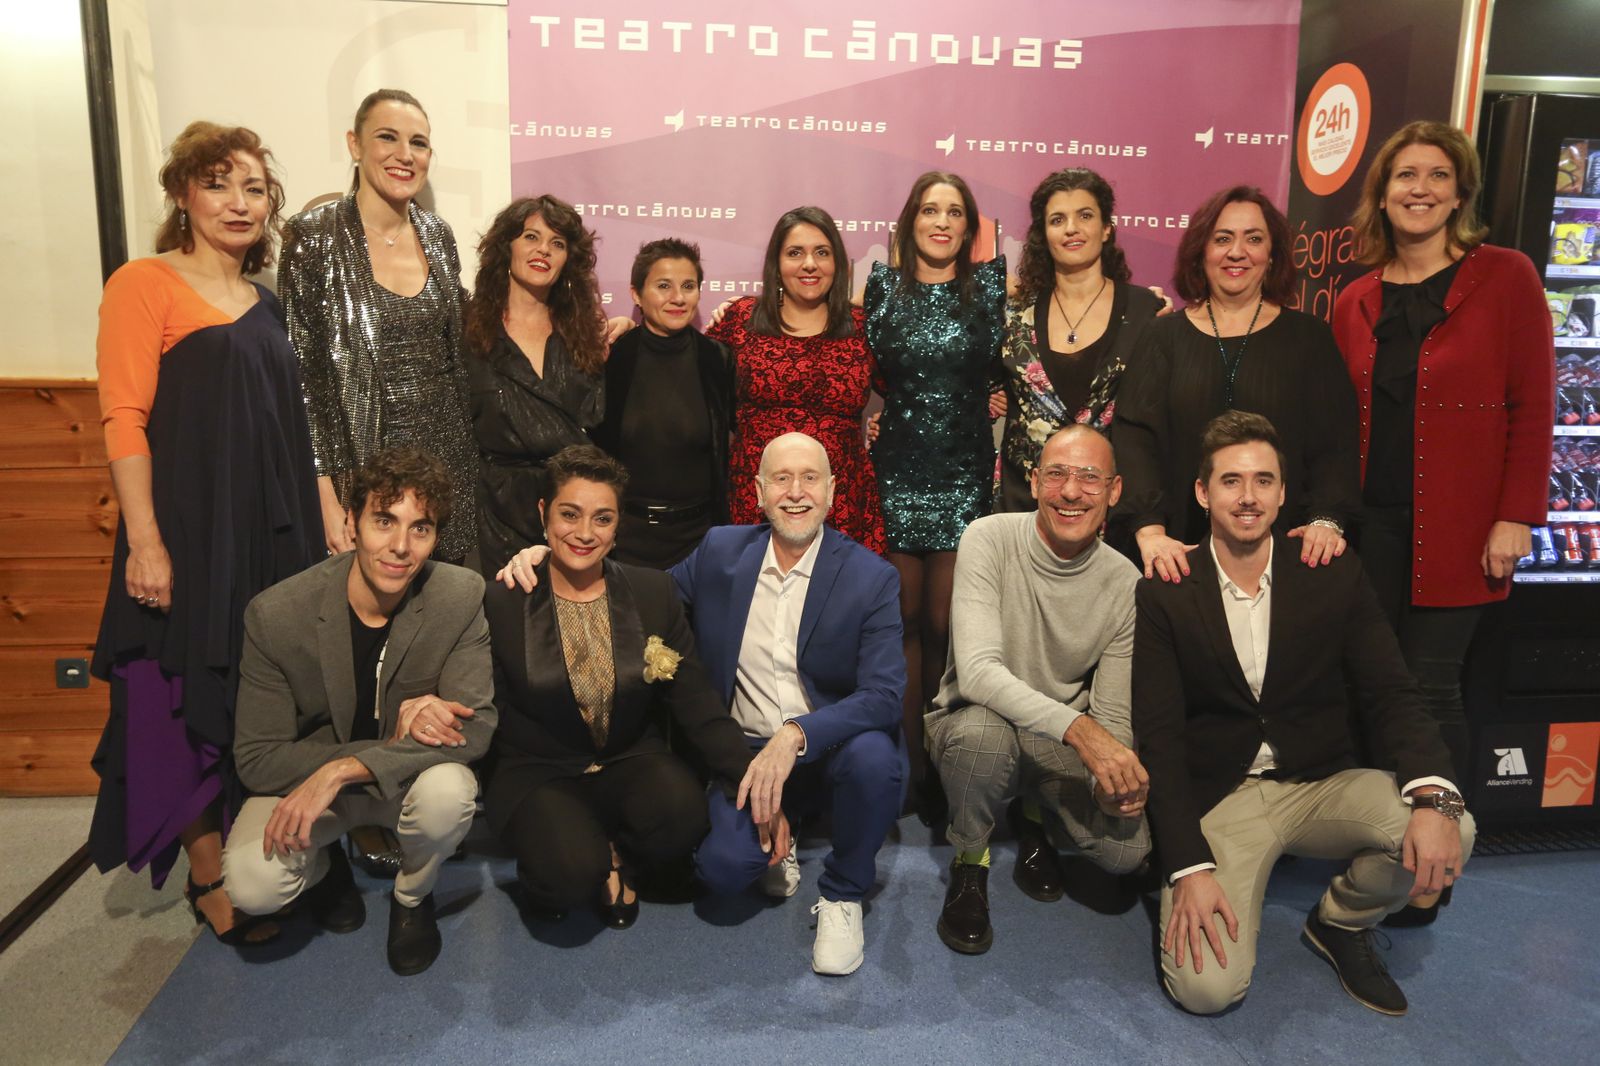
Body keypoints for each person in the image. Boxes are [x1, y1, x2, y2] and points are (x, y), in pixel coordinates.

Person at [497, 432, 904, 975]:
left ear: (833, 490)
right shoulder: (720, 552)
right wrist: (545, 554)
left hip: (824, 748)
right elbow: (634, 598)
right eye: (780, 479)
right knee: (721, 873)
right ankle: (780, 833)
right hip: (743, 750)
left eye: (810, 478)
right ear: (758, 492)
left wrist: (797, 733)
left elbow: (884, 696)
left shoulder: (872, 577)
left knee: (877, 756)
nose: (795, 492)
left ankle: (842, 894)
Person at [1133, 411, 1475, 1017]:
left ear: (1284, 493)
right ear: (1202, 493)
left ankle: (1341, 921)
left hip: (1319, 784)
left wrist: (1434, 799)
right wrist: (1187, 866)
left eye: (1263, 481)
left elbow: (1391, 691)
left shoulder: (1329, 570)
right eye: (1231, 481)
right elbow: (1158, 738)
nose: (1248, 497)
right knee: (1206, 991)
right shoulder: (1168, 587)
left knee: (1454, 825)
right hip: (1224, 797)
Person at [87, 121, 322, 945]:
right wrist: (145, 541)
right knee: (176, 696)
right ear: (183, 194)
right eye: (220, 183)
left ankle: (276, 848)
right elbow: (124, 416)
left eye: (256, 189)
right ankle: (208, 871)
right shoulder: (142, 282)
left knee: (261, 691)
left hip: (267, 535)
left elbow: (284, 428)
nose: (239, 202)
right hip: (186, 533)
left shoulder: (269, 302)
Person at [1332, 121, 1553, 927]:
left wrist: (1516, 516)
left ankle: (1435, 865)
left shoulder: (1506, 277)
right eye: (1403, 176)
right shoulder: (1356, 297)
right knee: (1368, 686)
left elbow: (1534, 407)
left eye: (1435, 176)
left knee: (1431, 691)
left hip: (1462, 530)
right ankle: (1379, 846)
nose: (1418, 189)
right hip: (1368, 531)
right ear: (1382, 193)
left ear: (1460, 192)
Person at [223, 448, 493, 977]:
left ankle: (413, 899)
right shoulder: (276, 615)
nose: (400, 547)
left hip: (398, 788)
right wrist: (340, 768)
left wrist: (349, 767)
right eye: (384, 521)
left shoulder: (459, 595)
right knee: (254, 884)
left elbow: (477, 726)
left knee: (451, 793)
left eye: (421, 528)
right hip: (315, 790)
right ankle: (327, 874)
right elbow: (256, 759)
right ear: (351, 523)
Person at [482, 446, 760, 928]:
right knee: (568, 877)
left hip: (628, 756)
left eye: (602, 518)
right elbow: (489, 711)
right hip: (539, 769)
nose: (585, 533)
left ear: (618, 526)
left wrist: (758, 782)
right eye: (570, 514)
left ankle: (611, 848)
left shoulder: (653, 592)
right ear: (544, 513)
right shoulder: (503, 599)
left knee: (683, 817)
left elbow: (696, 703)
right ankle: (580, 855)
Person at [926, 426, 1151, 955]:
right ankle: (971, 861)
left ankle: (1035, 817)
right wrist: (1082, 730)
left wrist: (1113, 781)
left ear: (1114, 491)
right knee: (983, 737)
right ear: (1033, 481)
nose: (1071, 492)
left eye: (1089, 478)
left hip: (1052, 745)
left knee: (1127, 852)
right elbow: (978, 673)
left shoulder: (1126, 583)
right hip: (975, 722)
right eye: (1056, 474)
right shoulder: (988, 536)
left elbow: (1114, 718)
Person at [1113, 185, 1360, 582]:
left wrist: (1326, 520)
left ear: (1273, 253)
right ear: (1200, 251)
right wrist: (1150, 531)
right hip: (1178, 557)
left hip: (1286, 557)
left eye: (1254, 239)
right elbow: (1135, 440)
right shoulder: (1162, 337)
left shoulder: (1309, 338)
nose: (1237, 252)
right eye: (1222, 239)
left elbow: (1336, 443)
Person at [280, 89, 478, 564]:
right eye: (387, 138)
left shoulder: (438, 234)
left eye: (419, 143)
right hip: (362, 473)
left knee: (443, 616)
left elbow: (464, 343)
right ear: (354, 144)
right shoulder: (313, 237)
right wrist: (324, 495)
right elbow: (301, 381)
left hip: (447, 464)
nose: (405, 155)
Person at [863, 171, 1003, 813]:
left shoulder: (995, 289)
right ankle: (908, 767)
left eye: (953, 212)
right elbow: (863, 366)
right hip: (895, 470)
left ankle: (953, 765)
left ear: (969, 227)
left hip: (966, 471)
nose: (941, 222)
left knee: (951, 624)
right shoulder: (883, 288)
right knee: (904, 622)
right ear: (910, 221)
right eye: (929, 210)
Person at [709, 207, 886, 556]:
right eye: (795, 253)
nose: (809, 264)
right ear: (777, 263)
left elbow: (915, 387)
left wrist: (989, 390)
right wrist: (626, 328)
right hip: (755, 505)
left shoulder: (863, 327)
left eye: (822, 252)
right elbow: (684, 368)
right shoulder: (741, 318)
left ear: (837, 264)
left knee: (837, 607)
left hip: (842, 508)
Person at [996, 168, 1162, 518]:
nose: (1071, 228)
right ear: (1044, 233)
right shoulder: (1013, 314)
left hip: (1115, 515)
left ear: (1106, 229)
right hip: (1023, 510)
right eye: (1058, 219)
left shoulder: (1146, 310)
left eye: (1084, 216)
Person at [468, 194, 607, 576]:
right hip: (495, 518)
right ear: (506, 247)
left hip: (572, 517)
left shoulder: (585, 336)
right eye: (531, 237)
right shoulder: (469, 330)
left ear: (568, 261)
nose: (543, 250)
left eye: (557, 243)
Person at [591, 239, 734, 568]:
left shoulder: (717, 359)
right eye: (663, 286)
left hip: (701, 542)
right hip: (624, 540)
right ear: (636, 294)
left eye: (688, 286)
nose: (678, 298)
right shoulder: (612, 358)